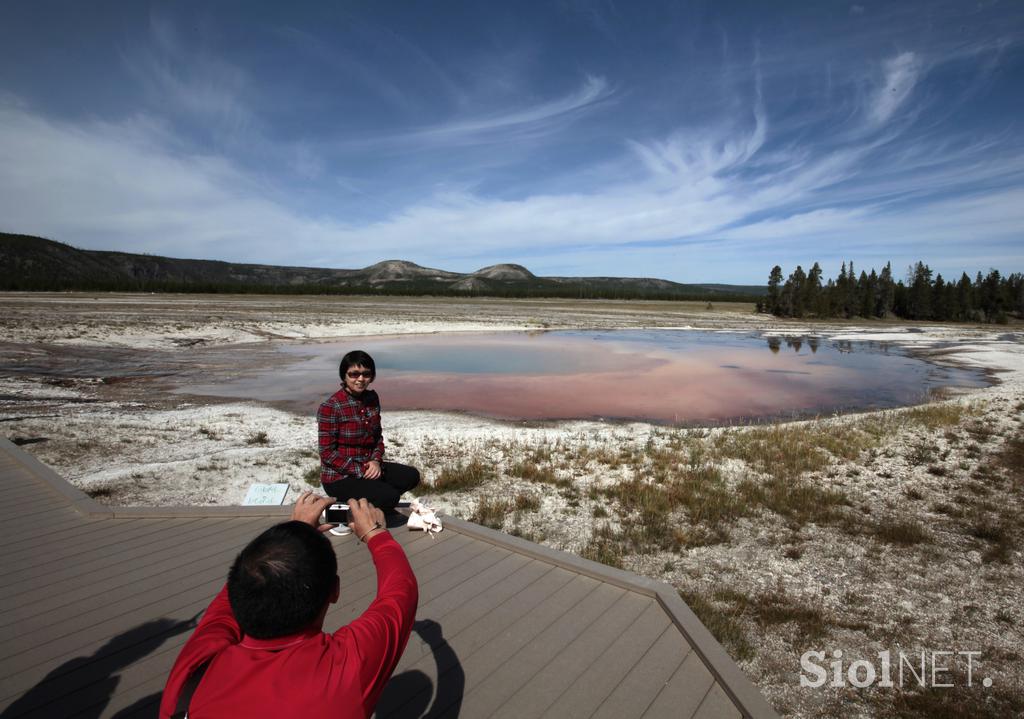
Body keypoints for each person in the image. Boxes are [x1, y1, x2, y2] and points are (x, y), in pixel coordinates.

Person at [159, 493, 418, 719]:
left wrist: (293, 532)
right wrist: (376, 534)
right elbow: (400, 592)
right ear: (335, 591)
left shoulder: (198, 662)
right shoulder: (346, 667)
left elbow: (243, 581)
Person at [317, 350, 420, 510]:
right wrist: (361, 470)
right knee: (390, 496)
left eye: (366, 374)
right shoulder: (331, 407)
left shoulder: (371, 398)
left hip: (369, 466)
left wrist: (376, 461)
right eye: (354, 374)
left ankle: (373, 503)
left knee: (411, 476)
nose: (360, 379)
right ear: (344, 376)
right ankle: (354, 509)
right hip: (339, 477)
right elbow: (327, 453)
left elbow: (377, 437)